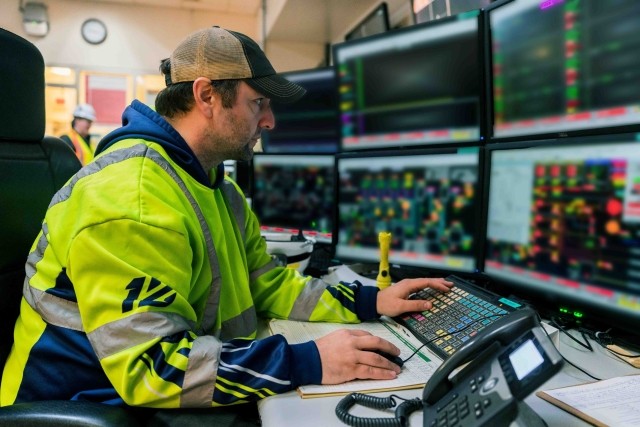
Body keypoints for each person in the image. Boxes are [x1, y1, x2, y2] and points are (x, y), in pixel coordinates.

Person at [1, 26, 453, 412]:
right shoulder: (130, 198)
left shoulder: (217, 187)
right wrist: (308, 361)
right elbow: (155, 370)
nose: (271, 121)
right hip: (90, 404)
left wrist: (373, 301)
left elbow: (268, 285)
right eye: (260, 104)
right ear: (207, 96)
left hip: (152, 394)